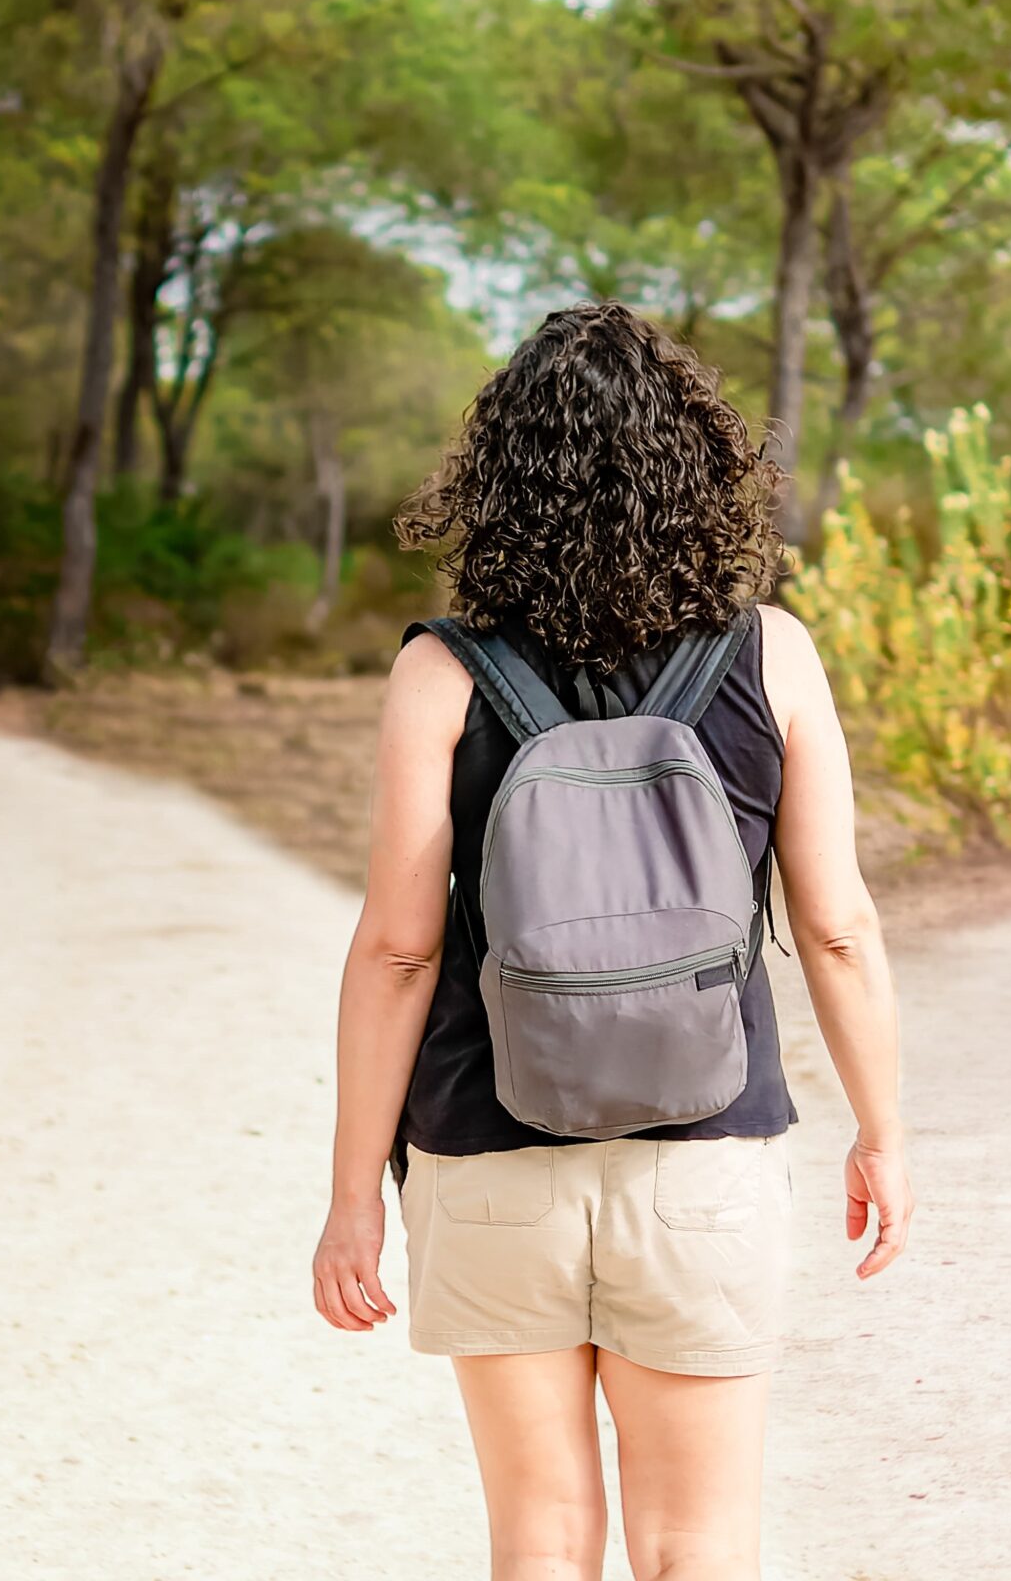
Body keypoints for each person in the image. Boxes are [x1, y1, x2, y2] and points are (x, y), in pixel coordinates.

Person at [312, 302, 912, 1581]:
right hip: (705, 1154)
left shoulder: (443, 674)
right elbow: (839, 929)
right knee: (697, 1544)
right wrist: (883, 1132)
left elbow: (399, 954)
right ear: (700, 467)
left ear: (499, 481)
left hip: (486, 1146)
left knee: (540, 1539)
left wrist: (353, 1192)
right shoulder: (773, 658)